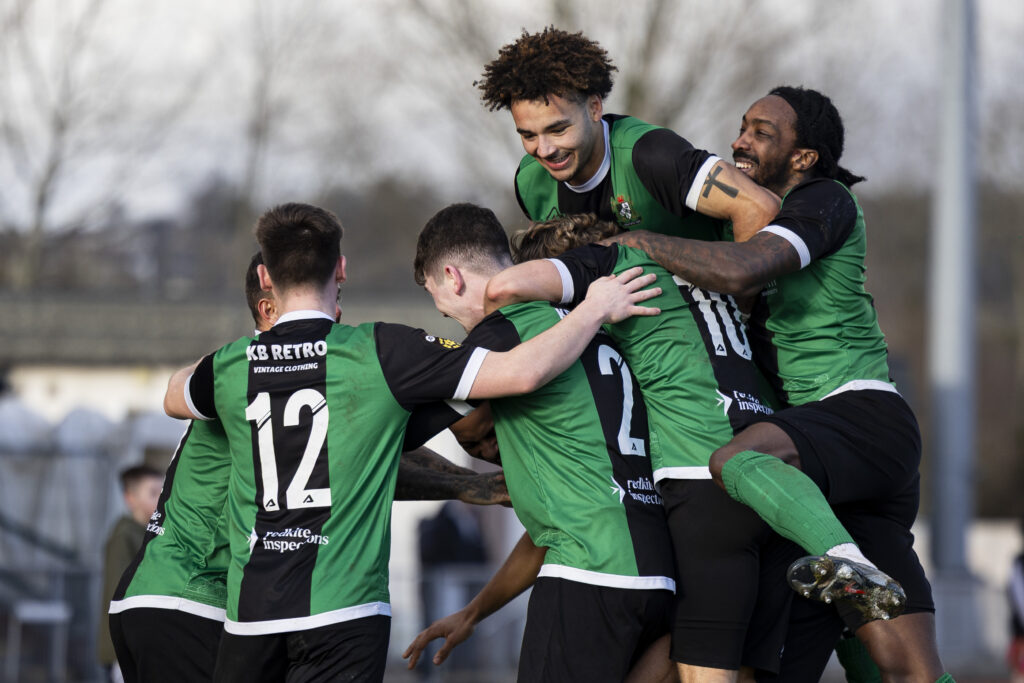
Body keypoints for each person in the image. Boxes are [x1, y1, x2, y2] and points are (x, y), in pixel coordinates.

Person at [161, 202, 660, 682]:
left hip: (255, 611)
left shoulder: (232, 364)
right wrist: (594, 308)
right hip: (348, 605)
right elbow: (522, 373)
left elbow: (173, 395)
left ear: (265, 278)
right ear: (341, 269)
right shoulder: (382, 350)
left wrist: (251, 362)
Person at [603, 86, 951, 681]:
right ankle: (844, 565)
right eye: (741, 126)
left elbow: (744, 268)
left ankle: (843, 563)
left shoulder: (825, 199)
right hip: (823, 480)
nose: (740, 140)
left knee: (736, 457)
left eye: (762, 131)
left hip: (861, 418)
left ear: (804, 157)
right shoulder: (735, 228)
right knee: (903, 668)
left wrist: (634, 241)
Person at [110, 253, 512, 683]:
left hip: (170, 599)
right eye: (327, 298)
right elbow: (358, 470)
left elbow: (369, 451)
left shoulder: (251, 375)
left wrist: (467, 482)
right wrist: (469, 487)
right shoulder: (257, 377)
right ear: (268, 307)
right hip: (189, 599)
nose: (337, 312)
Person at [486, 213, 815, 681]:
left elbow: (503, 289)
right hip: (771, 476)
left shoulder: (608, 309)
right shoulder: (693, 290)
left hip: (695, 495)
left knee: (703, 659)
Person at [403, 204, 675, 682]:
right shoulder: (596, 332)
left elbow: (390, 438)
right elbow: (556, 522)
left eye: (435, 297)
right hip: (659, 575)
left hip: (587, 577)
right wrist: (473, 611)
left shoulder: (498, 340)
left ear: (452, 277)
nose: (442, 312)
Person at [476, 26, 779, 243]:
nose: (544, 150)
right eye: (528, 135)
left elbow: (758, 207)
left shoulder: (653, 155)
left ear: (595, 107)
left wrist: (740, 307)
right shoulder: (530, 181)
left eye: (558, 129)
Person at [98, 464, 162, 681]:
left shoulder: (152, 533)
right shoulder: (124, 534)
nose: (161, 498)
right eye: (153, 492)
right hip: (125, 645)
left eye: (164, 492)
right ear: (130, 498)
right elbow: (122, 590)